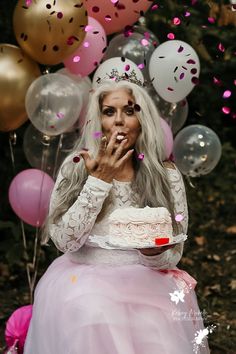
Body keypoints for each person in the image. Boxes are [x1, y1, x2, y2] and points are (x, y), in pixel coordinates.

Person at [24, 79, 210, 354]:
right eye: (109, 111)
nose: (120, 121)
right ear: (98, 119)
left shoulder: (166, 174)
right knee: (94, 315)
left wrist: (153, 253)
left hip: (148, 285)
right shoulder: (77, 166)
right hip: (83, 282)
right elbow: (64, 241)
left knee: (158, 333)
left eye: (130, 110)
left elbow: (174, 253)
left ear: (143, 117)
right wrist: (99, 180)